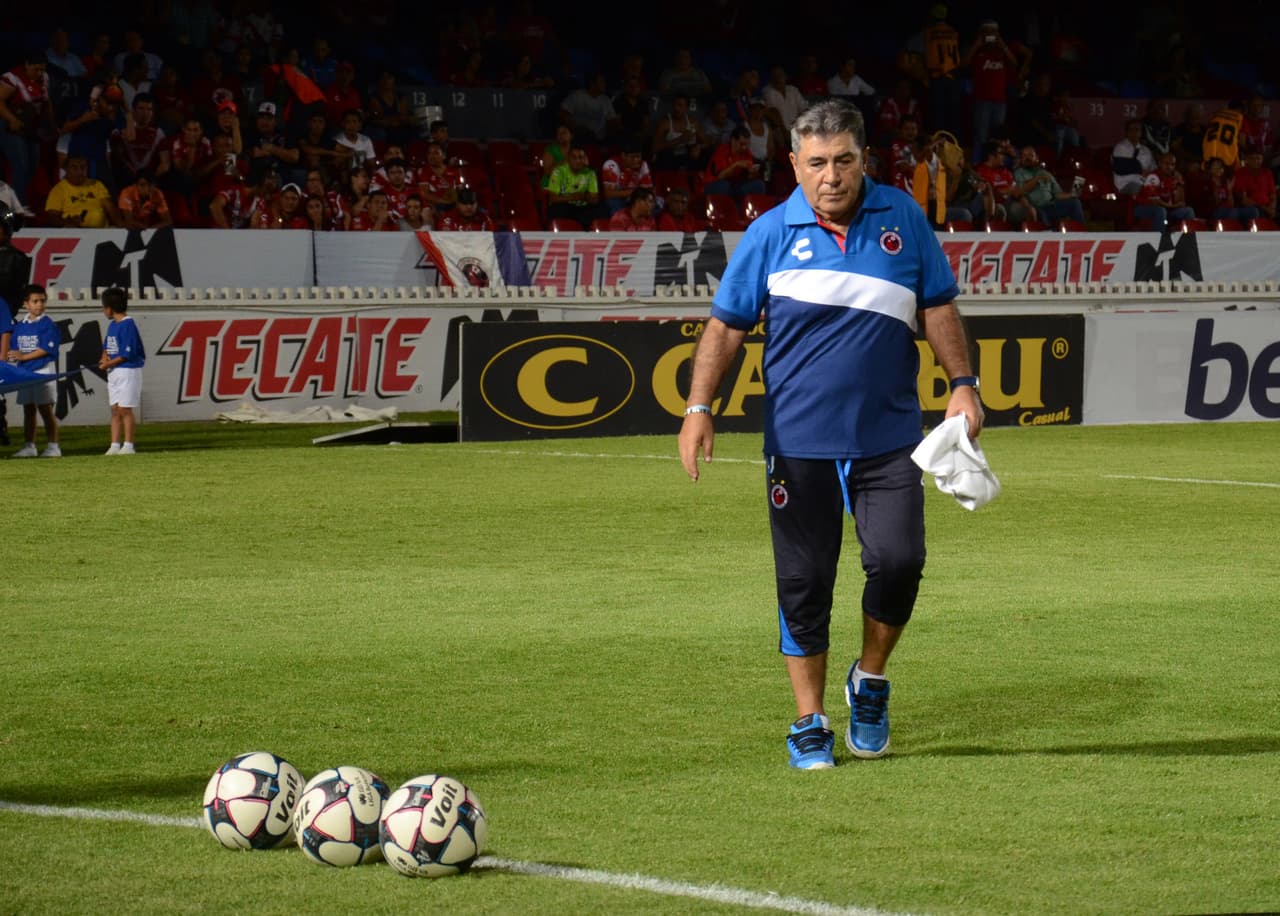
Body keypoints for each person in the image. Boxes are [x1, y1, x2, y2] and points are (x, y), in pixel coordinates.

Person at [678, 98, 981, 770]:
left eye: (844, 160)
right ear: (794, 164)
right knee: (804, 582)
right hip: (798, 443)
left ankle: (869, 680)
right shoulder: (768, 234)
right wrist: (700, 408)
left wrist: (965, 384)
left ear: (864, 158)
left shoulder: (904, 218)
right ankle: (809, 719)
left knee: (900, 563)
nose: (832, 176)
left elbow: (937, 308)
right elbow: (726, 327)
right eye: (816, 163)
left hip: (889, 440)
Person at [8, 284, 60, 458]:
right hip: (24, 373)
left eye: (42, 301)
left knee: (45, 409)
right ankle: (29, 446)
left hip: (43, 371)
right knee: (28, 409)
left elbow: (46, 348)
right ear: (26, 304)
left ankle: (53, 446)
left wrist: (23, 357)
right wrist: (13, 356)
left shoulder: (48, 324)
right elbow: (14, 349)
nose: (39, 305)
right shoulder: (20, 326)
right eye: (35, 301)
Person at [99, 287, 145, 455]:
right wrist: (104, 359)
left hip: (127, 371)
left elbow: (126, 354)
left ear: (109, 308)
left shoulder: (128, 325)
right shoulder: (113, 325)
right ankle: (114, 444)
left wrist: (108, 364)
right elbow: (107, 346)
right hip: (114, 372)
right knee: (116, 409)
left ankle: (128, 444)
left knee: (125, 409)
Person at [1011, 145, 1085, 226]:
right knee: (1042, 215)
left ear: (1037, 158)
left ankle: (1080, 233)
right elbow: (1021, 191)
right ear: (1021, 159)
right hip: (1035, 207)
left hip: (1051, 206)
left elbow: (1058, 194)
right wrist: (1037, 179)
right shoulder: (1018, 173)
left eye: (1030, 155)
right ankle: (1050, 233)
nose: (1027, 158)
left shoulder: (1046, 173)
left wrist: (1072, 194)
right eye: (1024, 155)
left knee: (1075, 202)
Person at [44, 154, 120, 228]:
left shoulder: (96, 184)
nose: (80, 171)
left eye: (83, 167)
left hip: (100, 232)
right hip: (75, 232)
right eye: (74, 167)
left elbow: (110, 208)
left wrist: (120, 225)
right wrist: (66, 223)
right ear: (66, 169)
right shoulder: (58, 189)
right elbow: (52, 217)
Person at [545, 145, 603, 229]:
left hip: (582, 207)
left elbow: (595, 198)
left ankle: (590, 238)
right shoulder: (558, 171)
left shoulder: (590, 173)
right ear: (568, 158)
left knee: (601, 210)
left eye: (580, 157)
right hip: (565, 205)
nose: (577, 160)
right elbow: (552, 198)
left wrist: (584, 197)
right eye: (574, 157)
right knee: (555, 209)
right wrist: (573, 197)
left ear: (584, 159)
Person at [703, 126, 766, 199]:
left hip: (735, 186)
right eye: (742, 144)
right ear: (733, 140)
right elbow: (720, 177)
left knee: (759, 185)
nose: (744, 147)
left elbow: (747, 178)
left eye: (747, 144)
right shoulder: (722, 151)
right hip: (714, 185)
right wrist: (736, 165)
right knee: (724, 186)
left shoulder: (746, 153)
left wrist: (752, 173)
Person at [1112, 119, 1155, 197]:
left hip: (1146, 182)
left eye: (1137, 130)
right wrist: (1139, 169)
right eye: (1131, 130)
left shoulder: (1146, 150)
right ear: (1126, 132)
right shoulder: (1120, 147)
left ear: (1141, 133)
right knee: (1141, 189)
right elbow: (1120, 168)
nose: (1134, 132)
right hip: (1125, 184)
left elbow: (1153, 169)